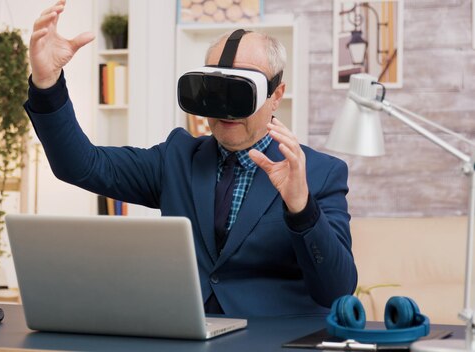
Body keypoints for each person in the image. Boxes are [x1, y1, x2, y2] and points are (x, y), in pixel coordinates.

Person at [24, 1, 357, 317]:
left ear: (275, 96)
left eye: (241, 91)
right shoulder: (178, 158)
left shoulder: (320, 173)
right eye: (216, 90)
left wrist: (301, 208)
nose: (226, 108)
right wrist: (46, 82)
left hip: (273, 340)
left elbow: (336, 290)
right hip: (187, 331)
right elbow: (82, 165)